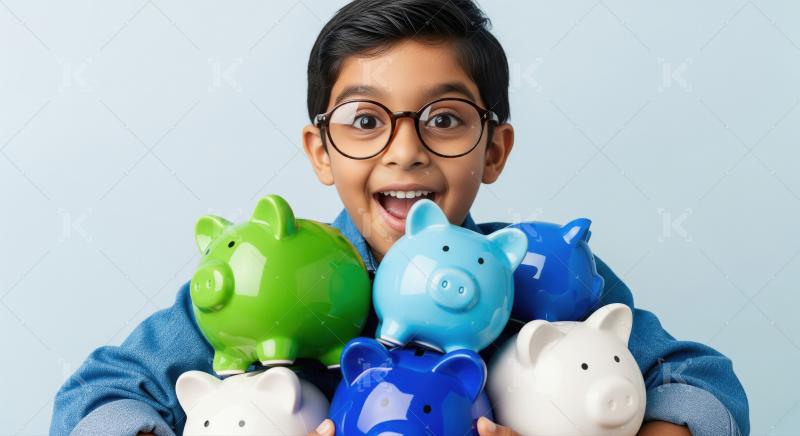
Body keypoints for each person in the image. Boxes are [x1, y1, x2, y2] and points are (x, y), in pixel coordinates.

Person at [51, 1, 749, 435]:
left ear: (494, 149)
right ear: (320, 151)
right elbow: (99, 394)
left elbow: (701, 381)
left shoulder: (544, 279)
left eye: (445, 118)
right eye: (365, 120)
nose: (405, 150)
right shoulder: (262, 278)